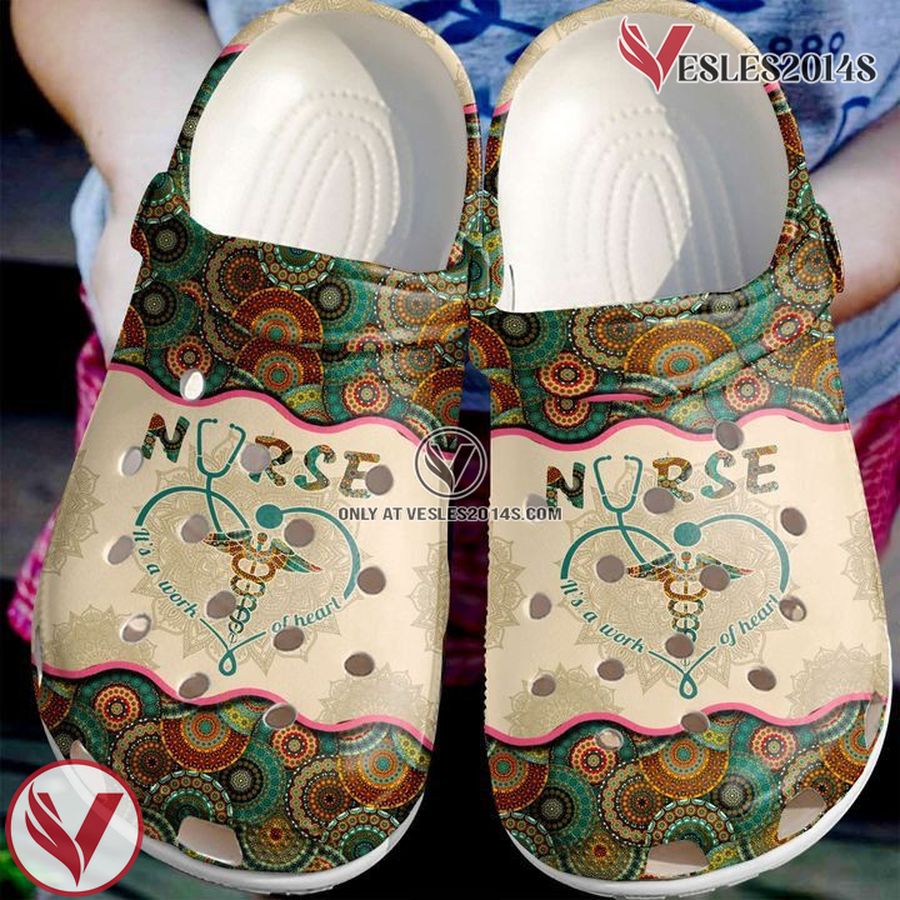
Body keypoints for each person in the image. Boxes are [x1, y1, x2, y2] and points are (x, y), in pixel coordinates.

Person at [9, 0, 899, 651]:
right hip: (248, 352)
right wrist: (167, 166)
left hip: (756, 389)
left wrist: (786, 291)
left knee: (613, 673)